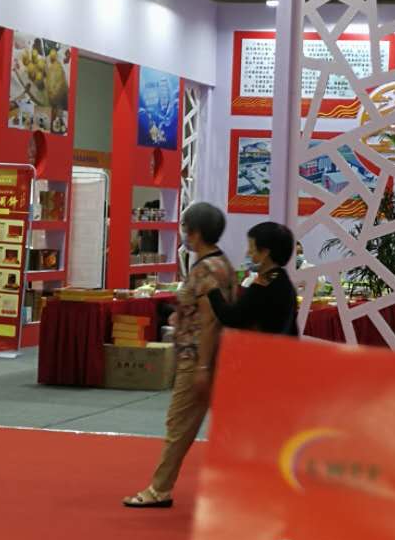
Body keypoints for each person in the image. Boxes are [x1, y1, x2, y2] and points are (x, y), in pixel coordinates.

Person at [123, 202, 237, 510]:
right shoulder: (220, 264)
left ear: (196, 232)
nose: (184, 234)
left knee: (179, 425)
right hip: (211, 355)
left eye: (186, 228)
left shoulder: (206, 269)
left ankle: (160, 488)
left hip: (198, 357)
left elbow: (211, 320)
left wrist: (202, 365)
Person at [207, 220, 300, 336]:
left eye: (251, 249)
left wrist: (212, 290)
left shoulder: (263, 285)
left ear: (265, 253)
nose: (247, 254)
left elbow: (231, 318)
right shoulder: (282, 279)